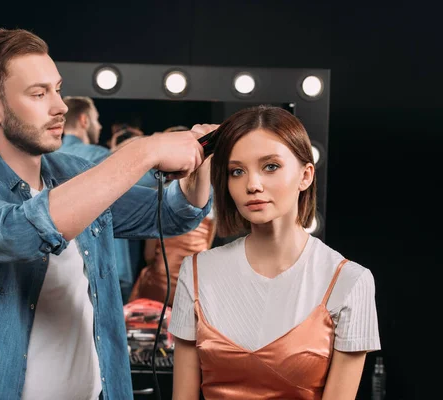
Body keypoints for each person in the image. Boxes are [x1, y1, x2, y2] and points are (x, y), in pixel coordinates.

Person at [0, 28, 216, 400]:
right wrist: (143, 151)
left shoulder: (74, 173)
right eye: (38, 93)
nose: (59, 105)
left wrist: (201, 160)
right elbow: (21, 234)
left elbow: (171, 215)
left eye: (57, 89)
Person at [168, 105, 381, 399]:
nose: (252, 185)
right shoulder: (196, 272)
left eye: (270, 166)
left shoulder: (350, 281)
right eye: (237, 171)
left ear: (305, 176)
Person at [57, 95, 136, 303]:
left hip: (59, 268)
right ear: (84, 120)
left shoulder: (47, 158)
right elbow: (149, 181)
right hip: (106, 267)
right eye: (96, 119)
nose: (100, 126)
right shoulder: (100, 157)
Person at [128, 125, 217, 306]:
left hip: (161, 280)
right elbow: (208, 243)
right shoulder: (210, 201)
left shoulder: (155, 198)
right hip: (198, 280)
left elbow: (149, 254)